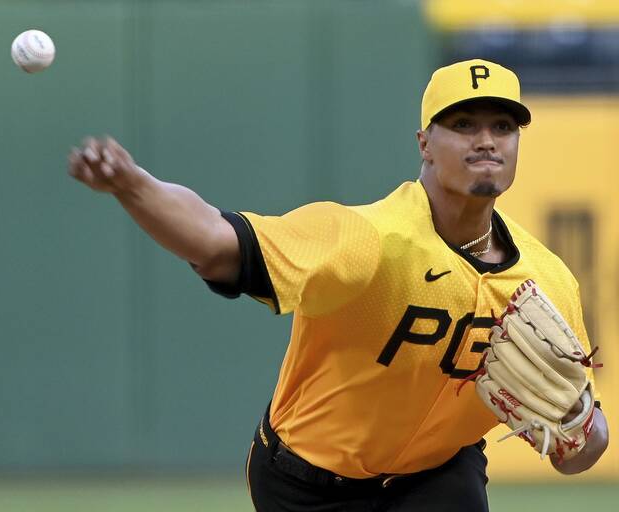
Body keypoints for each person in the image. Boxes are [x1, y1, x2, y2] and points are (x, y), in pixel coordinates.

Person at [68, 59, 609, 511]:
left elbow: (580, 451)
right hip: (307, 483)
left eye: (503, 127)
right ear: (425, 142)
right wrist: (132, 184)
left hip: (436, 477)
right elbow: (215, 240)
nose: (486, 140)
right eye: (463, 124)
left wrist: (578, 424)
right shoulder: (363, 240)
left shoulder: (547, 279)